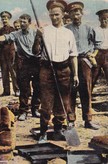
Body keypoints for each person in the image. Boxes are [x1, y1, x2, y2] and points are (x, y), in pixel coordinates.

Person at [32, 0, 79, 143]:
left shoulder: (68, 33)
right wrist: (38, 36)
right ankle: (43, 132)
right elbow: (35, 52)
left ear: (63, 15)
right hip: (47, 69)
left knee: (63, 102)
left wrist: (75, 74)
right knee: (46, 102)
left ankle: (58, 129)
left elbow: (73, 55)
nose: (54, 18)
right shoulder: (44, 30)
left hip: (64, 70)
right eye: (52, 15)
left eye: (57, 15)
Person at [0, 14, 40, 121]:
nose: (22, 24)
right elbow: (6, 37)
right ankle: (23, 111)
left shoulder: (36, 32)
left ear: (29, 22)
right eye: (21, 22)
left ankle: (35, 109)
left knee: (38, 87)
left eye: (24, 22)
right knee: (24, 88)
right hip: (23, 63)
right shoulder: (16, 34)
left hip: (36, 62)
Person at [66, 1, 100, 130]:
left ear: (82, 14)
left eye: (78, 13)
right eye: (73, 12)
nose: (76, 15)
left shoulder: (89, 28)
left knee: (86, 91)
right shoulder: (66, 29)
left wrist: (91, 56)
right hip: (70, 62)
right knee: (71, 91)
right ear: (70, 14)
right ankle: (71, 120)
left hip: (85, 61)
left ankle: (88, 120)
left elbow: (96, 44)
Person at [0, 11, 19, 97]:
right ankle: (6, 91)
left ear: (9, 19)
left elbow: (12, 40)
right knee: (4, 73)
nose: (4, 20)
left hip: (10, 53)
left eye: (6, 18)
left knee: (13, 73)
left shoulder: (12, 29)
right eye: (3, 18)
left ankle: (17, 90)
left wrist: (3, 40)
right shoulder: (0, 30)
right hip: (2, 54)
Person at [92, 9, 108, 87]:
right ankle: (88, 97)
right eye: (102, 18)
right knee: (94, 76)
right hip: (98, 53)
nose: (104, 20)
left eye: (106, 18)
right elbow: (91, 43)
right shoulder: (95, 30)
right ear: (99, 19)